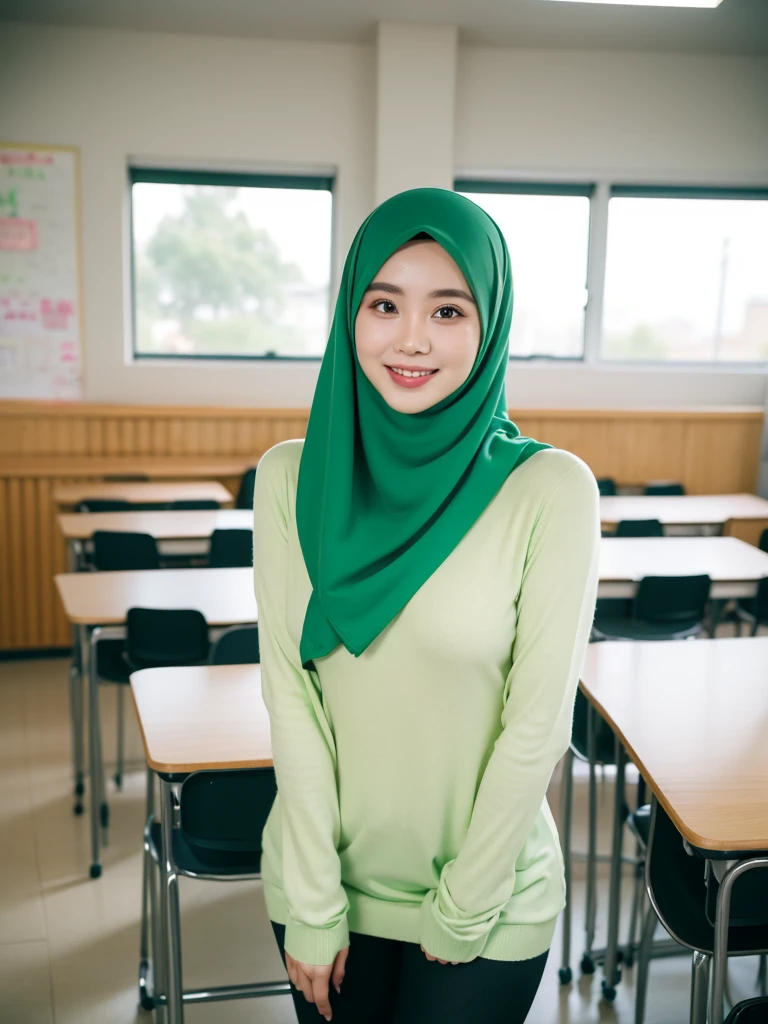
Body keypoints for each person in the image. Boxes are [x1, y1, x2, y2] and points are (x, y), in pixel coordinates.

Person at [252, 187, 600, 1023]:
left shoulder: (549, 489)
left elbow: (538, 725)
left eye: (449, 309)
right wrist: (312, 897)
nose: (411, 339)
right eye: (384, 303)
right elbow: (290, 695)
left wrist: (466, 902)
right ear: (351, 315)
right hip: (324, 886)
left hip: (488, 896)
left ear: (490, 327)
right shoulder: (290, 476)